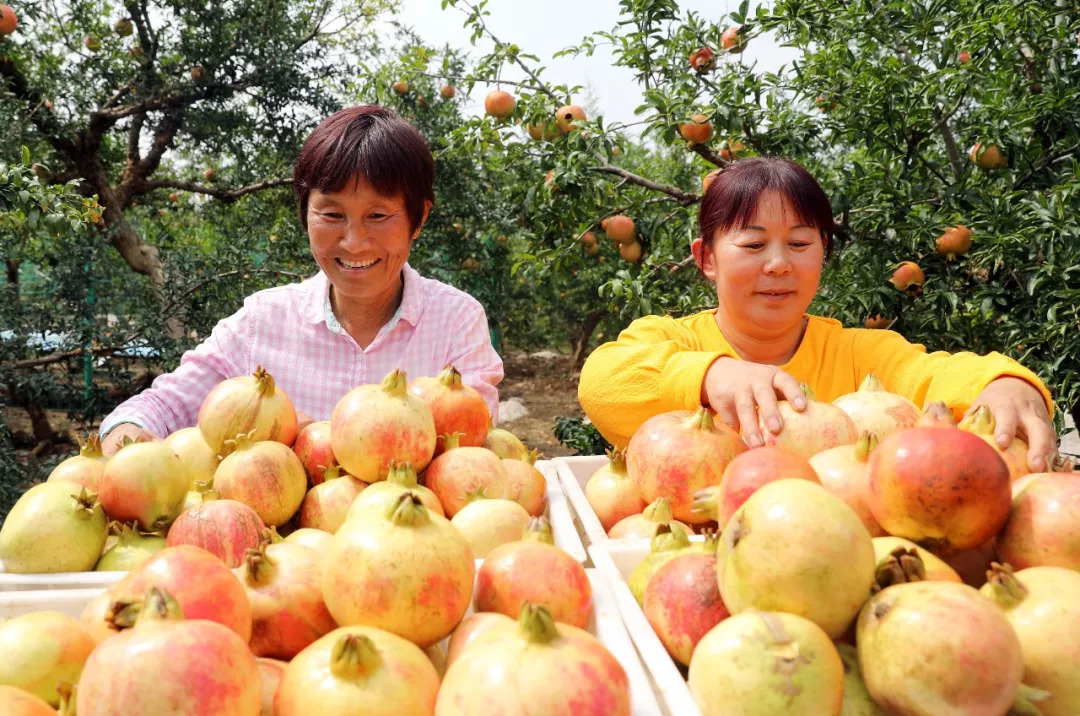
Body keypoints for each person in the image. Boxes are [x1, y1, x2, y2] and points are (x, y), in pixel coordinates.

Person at [578, 157, 1057, 471]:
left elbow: (937, 376)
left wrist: (1007, 385)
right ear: (706, 259)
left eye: (801, 243)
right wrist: (709, 377)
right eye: (752, 243)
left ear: (822, 253)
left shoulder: (859, 355)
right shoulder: (671, 340)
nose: (779, 263)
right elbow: (604, 383)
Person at [99, 106, 503, 454]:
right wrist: (131, 447)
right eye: (331, 214)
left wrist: (306, 438)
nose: (354, 242)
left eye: (378, 216)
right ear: (305, 214)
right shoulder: (262, 321)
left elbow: (465, 449)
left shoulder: (456, 322)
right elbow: (162, 406)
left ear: (419, 218)